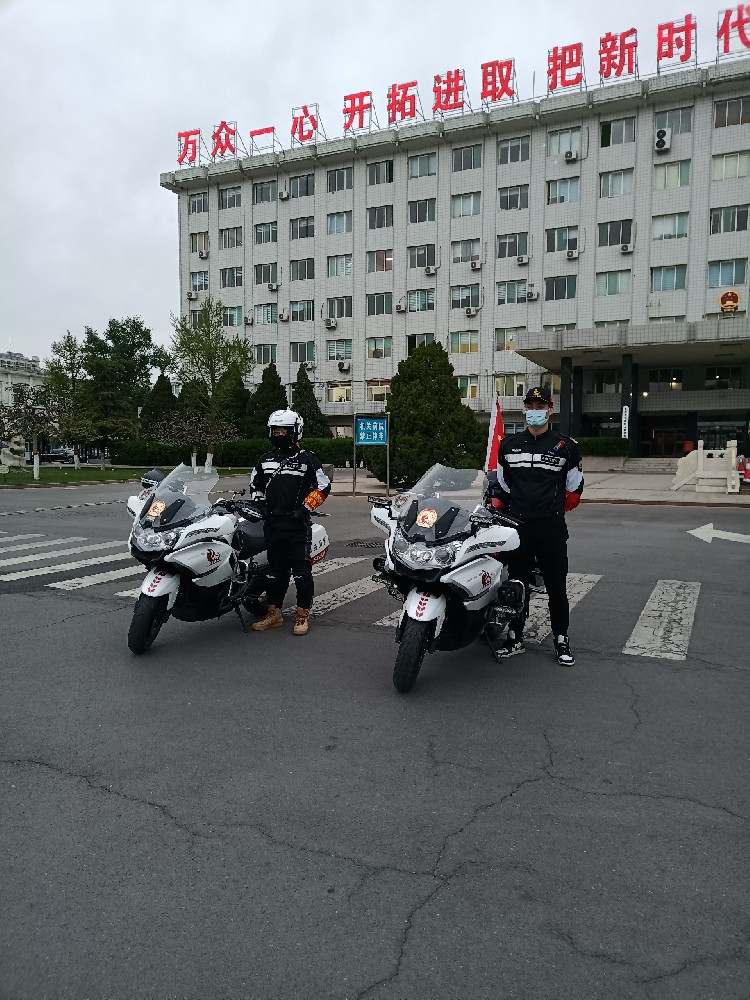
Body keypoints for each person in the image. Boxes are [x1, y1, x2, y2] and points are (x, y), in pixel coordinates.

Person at [491, 385, 584, 666]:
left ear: (550, 410)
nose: (534, 412)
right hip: (518, 528)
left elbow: (574, 490)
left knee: (556, 587)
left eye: (540, 407)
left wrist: (549, 509)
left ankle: (561, 640)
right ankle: (515, 636)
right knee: (517, 584)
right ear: (524, 410)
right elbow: (504, 485)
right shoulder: (509, 445)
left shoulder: (566, 447)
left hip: (550, 528)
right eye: (530, 407)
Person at [249, 409, 331, 636]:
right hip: (272, 525)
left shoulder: (307, 459)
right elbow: (255, 485)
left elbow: (323, 486)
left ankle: (302, 614)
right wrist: (260, 503)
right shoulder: (264, 460)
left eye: (283, 430)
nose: (279, 434)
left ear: (295, 432)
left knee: (302, 573)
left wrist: (305, 508)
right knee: (275, 572)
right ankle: (274, 613)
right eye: (275, 430)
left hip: (297, 526)